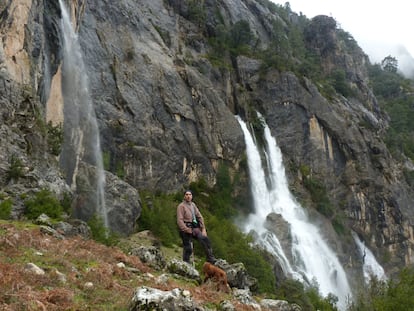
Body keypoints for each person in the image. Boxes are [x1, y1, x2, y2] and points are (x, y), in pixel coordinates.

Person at [177, 190, 216, 264]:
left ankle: (210, 258)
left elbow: (199, 216)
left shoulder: (193, 205)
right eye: (186, 194)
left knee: (205, 240)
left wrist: (203, 228)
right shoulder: (181, 206)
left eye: (190, 195)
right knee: (188, 248)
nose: (188, 196)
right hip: (185, 228)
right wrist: (186, 229)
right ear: (184, 196)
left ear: (192, 196)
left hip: (194, 227)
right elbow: (180, 220)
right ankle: (186, 264)